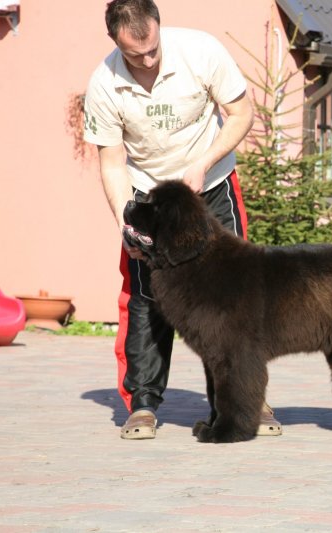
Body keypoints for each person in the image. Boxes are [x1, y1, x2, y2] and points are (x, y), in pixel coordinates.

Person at [83, 0, 282, 439]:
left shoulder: (202, 51)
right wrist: (125, 224)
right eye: (137, 54)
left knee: (237, 297)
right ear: (116, 42)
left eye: (153, 47)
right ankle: (143, 404)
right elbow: (112, 163)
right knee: (145, 296)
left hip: (210, 185)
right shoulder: (103, 84)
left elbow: (241, 114)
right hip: (150, 200)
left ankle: (247, 400)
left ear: (158, 28)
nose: (149, 59)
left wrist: (205, 162)